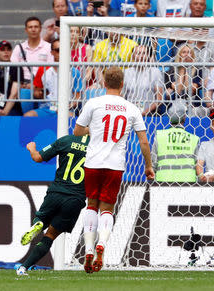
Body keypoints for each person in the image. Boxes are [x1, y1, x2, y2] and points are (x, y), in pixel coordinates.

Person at [74, 67, 155, 273]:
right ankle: (102, 244)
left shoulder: (93, 103)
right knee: (107, 209)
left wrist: (92, 129)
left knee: (91, 205)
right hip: (115, 166)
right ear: (122, 84)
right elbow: (143, 141)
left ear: (103, 82)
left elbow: (76, 132)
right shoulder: (131, 108)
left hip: (92, 163)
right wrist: (148, 165)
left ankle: (89, 249)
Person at [15, 134, 90, 276]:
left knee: (41, 220)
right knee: (50, 235)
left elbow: (37, 158)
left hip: (56, 192)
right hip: (75, 198)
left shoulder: (66, 140)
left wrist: (32, 148)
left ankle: (38, 224)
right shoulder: (97, 147)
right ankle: (23, 267)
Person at [25, 40, 83, 117]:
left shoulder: (75, 72)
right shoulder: (43, 69)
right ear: (52, 52)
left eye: (64, 49)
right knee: (28, 116)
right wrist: (41, 93)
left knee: (71, 118)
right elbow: (36, 92)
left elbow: (78, 97)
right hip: (47, 107)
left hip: (67, 109)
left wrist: (66, 107)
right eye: (58, 50)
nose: (61, 52)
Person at [151, 104, 200, 182]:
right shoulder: (193, 138)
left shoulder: (159, 136)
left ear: (169, 118)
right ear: (184, 118)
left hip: (163, 182)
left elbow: (153, 164)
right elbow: (198, 165)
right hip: (188, 183)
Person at [10, 17, 53, 87]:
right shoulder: (19, 48)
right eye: (30, 27)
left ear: (40, 29)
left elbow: (51, 69)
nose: (33, 29)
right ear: (26, 30)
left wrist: (36, 85)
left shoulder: (49, 47)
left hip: (42, 86)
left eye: (36, 27)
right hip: (23, 85)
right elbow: (13, 69)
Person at [123, 45, 164, 116]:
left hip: (149, 114)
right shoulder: (126, 72)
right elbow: (122, 97)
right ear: (132, 56)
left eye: (144, 53)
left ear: (148, 55)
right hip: (129, 113)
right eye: (138, 53)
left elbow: (159, 99)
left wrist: (145, 112)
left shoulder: (155, 72)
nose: (141, 56)